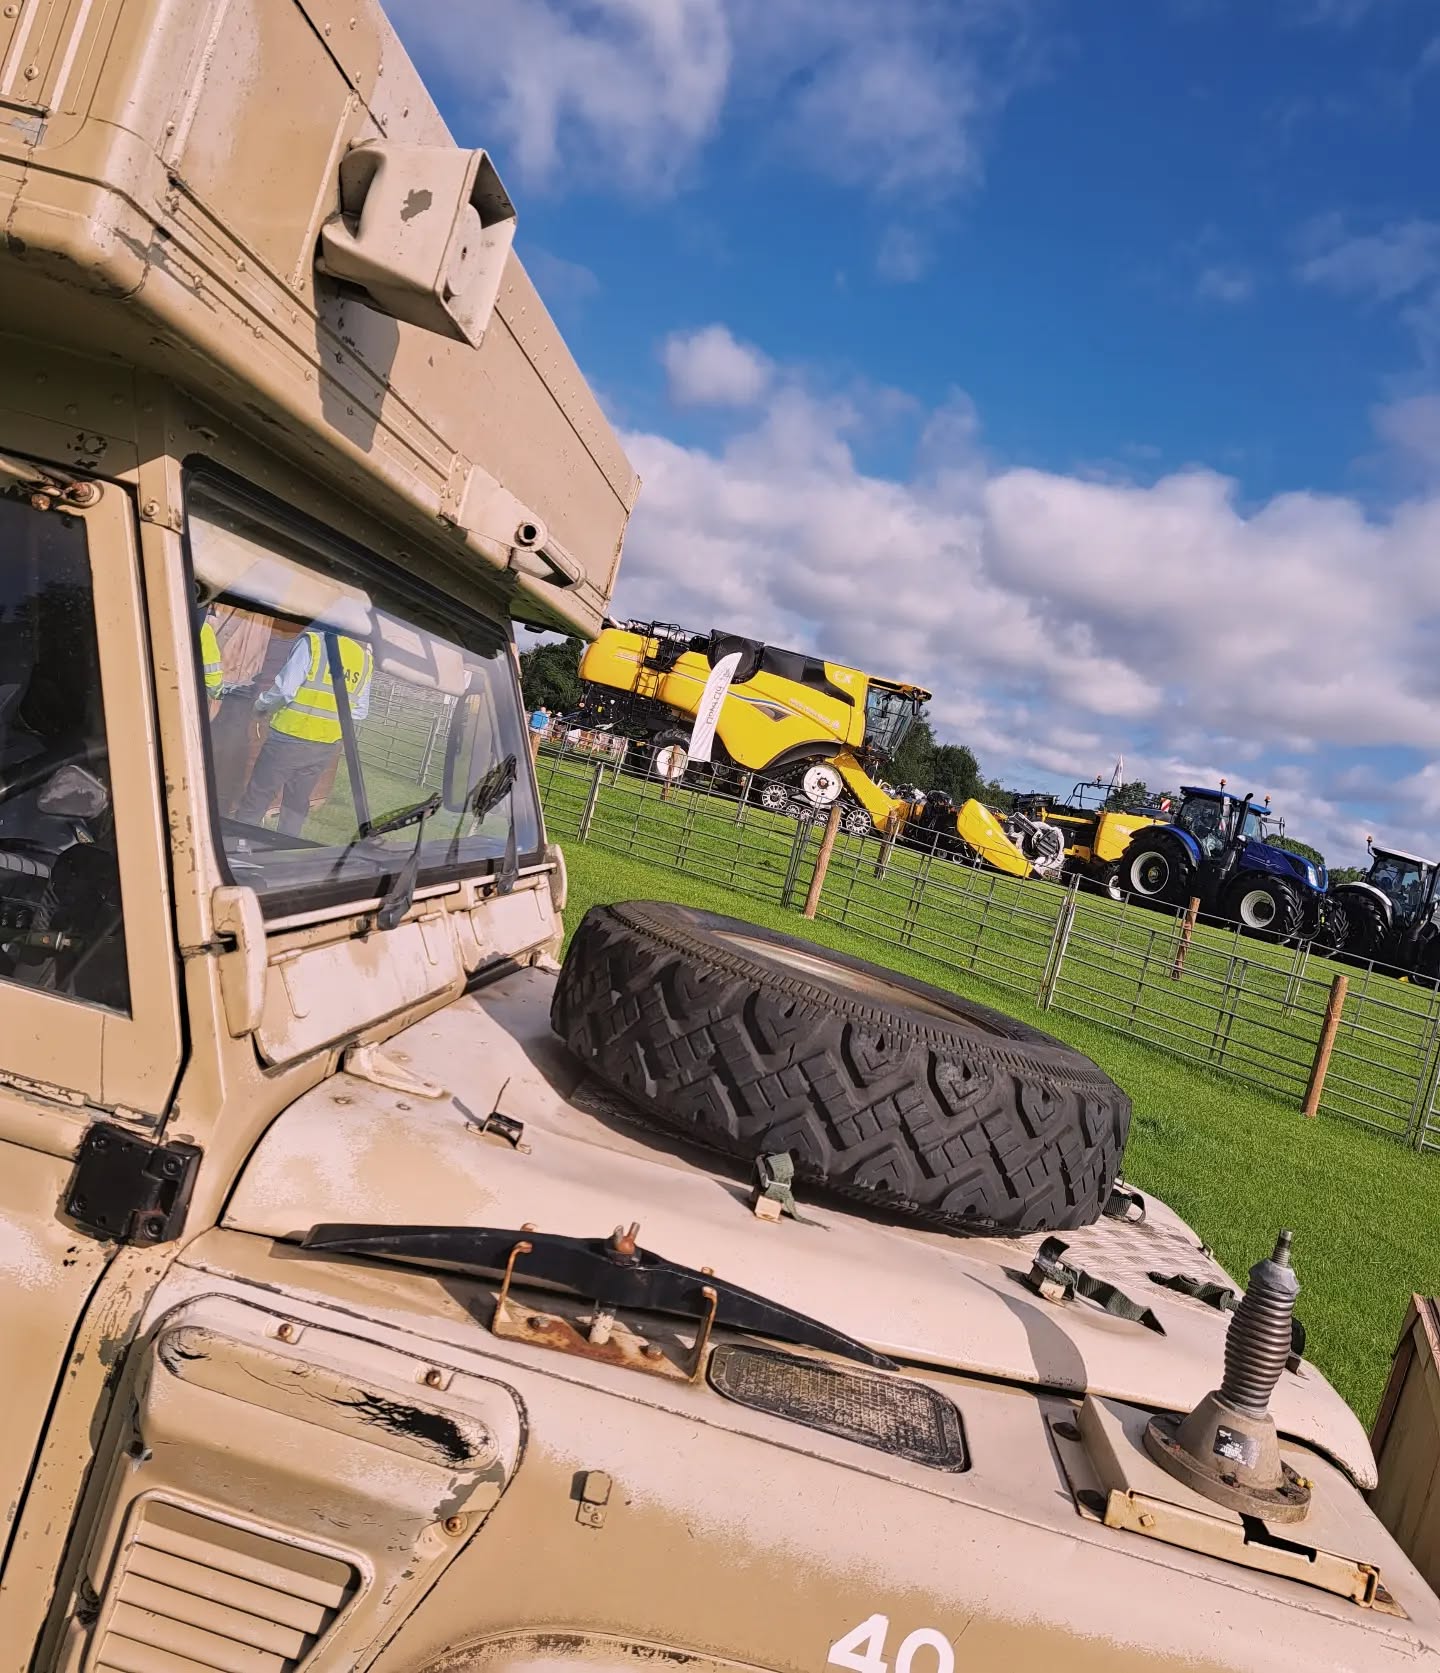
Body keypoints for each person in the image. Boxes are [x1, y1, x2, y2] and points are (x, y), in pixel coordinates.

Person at [233, 624, 373, 838]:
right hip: (325, 747)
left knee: (257, 797)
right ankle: (284, 852)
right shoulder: (364, 658)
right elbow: (360, 711)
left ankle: (236, 849)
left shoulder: (314, 643)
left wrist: (261, 706)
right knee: (296, 804)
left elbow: (285, 689)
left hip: (288, 738)